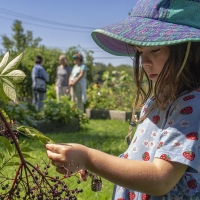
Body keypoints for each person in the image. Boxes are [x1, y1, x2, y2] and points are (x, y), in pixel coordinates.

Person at [45, 0, 200, 199]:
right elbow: (141, 158)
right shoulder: (156, 101)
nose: (144, 62)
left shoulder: (193, 105)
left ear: (188, 50)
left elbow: (161, 179)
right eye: (140, 52)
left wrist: (89, 158)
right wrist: (100, 166)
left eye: (155, 50)